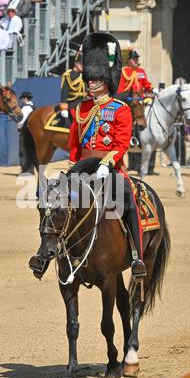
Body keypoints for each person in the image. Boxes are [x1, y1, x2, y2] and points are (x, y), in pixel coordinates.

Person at [68, 32, 146, 278]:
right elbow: (74, 144)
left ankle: (136, 256)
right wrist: (73, 166)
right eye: (89, 79)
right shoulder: (81, 109)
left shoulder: (120, 109)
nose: (90, 83)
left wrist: (106, 164)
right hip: (83, 167)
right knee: (57, 200)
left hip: (108, 168)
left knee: (126, 199)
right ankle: (54, 250)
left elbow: (122, 143)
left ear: (105, 80)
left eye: (95, 79)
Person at [118, 49, 158, 175]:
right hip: (130, 102)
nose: (136, 61)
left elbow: (146, 84)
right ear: (129, 60)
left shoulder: (141, 72)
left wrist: (152, 89)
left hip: (141, 101)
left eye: (137, 59)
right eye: (134, 59)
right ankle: (132, 163)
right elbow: (121, 88)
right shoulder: (125, 71)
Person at [60, 47, 86, 126]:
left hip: (84, 102)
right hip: (73, 103)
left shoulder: (84, 75)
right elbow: (64, 92)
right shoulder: (69, 75)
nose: (83, 66)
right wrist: (64, 108)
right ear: (76, 63)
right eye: (81, 63)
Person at [17, 90, 35, 174]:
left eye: (22, 99)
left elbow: (21, 120)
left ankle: (25, 170)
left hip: (25, 132)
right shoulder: (34, 107)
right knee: (31, 151)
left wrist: (19, 127)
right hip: (33, 132)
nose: (22, 100)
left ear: (25, 98)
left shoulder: (25, 107)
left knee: (23, 151)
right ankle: (31, 169)